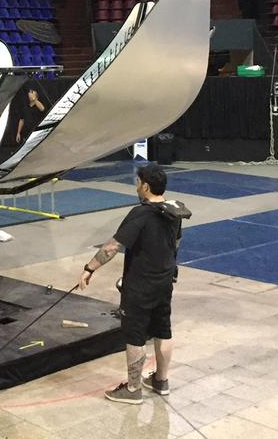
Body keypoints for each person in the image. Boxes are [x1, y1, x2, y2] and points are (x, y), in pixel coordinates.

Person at [78, 164, 181, 404]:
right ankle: (161, 381)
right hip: (164, 281)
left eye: (137, 183)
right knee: (163, 330)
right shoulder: (174, 212)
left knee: (135, 334)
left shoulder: (140, 213)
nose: (136, 187)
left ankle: (133, 389)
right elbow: (175, 244)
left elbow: (113, 246)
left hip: (140, 285)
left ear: (145, 186)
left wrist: (89, 268)